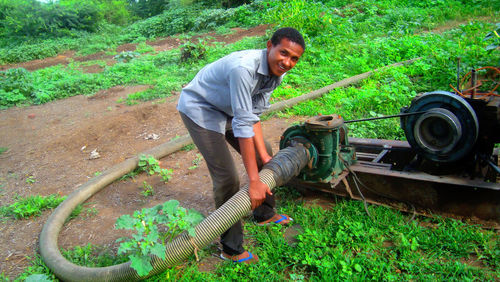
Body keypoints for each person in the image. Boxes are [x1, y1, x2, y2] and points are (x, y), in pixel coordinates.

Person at [177, 27, 305, 263]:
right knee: (227, 178)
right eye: (283, 53)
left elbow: (252, 114)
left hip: (229, 109)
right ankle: (231, 248)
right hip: (201, 109)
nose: (287, 62)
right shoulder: (243, 68)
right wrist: (254, 181)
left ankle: (264, 213)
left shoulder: (278, 72)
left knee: (263, 152)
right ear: (269, 46)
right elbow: (243, 124)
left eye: (294, 58)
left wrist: (264, 158)